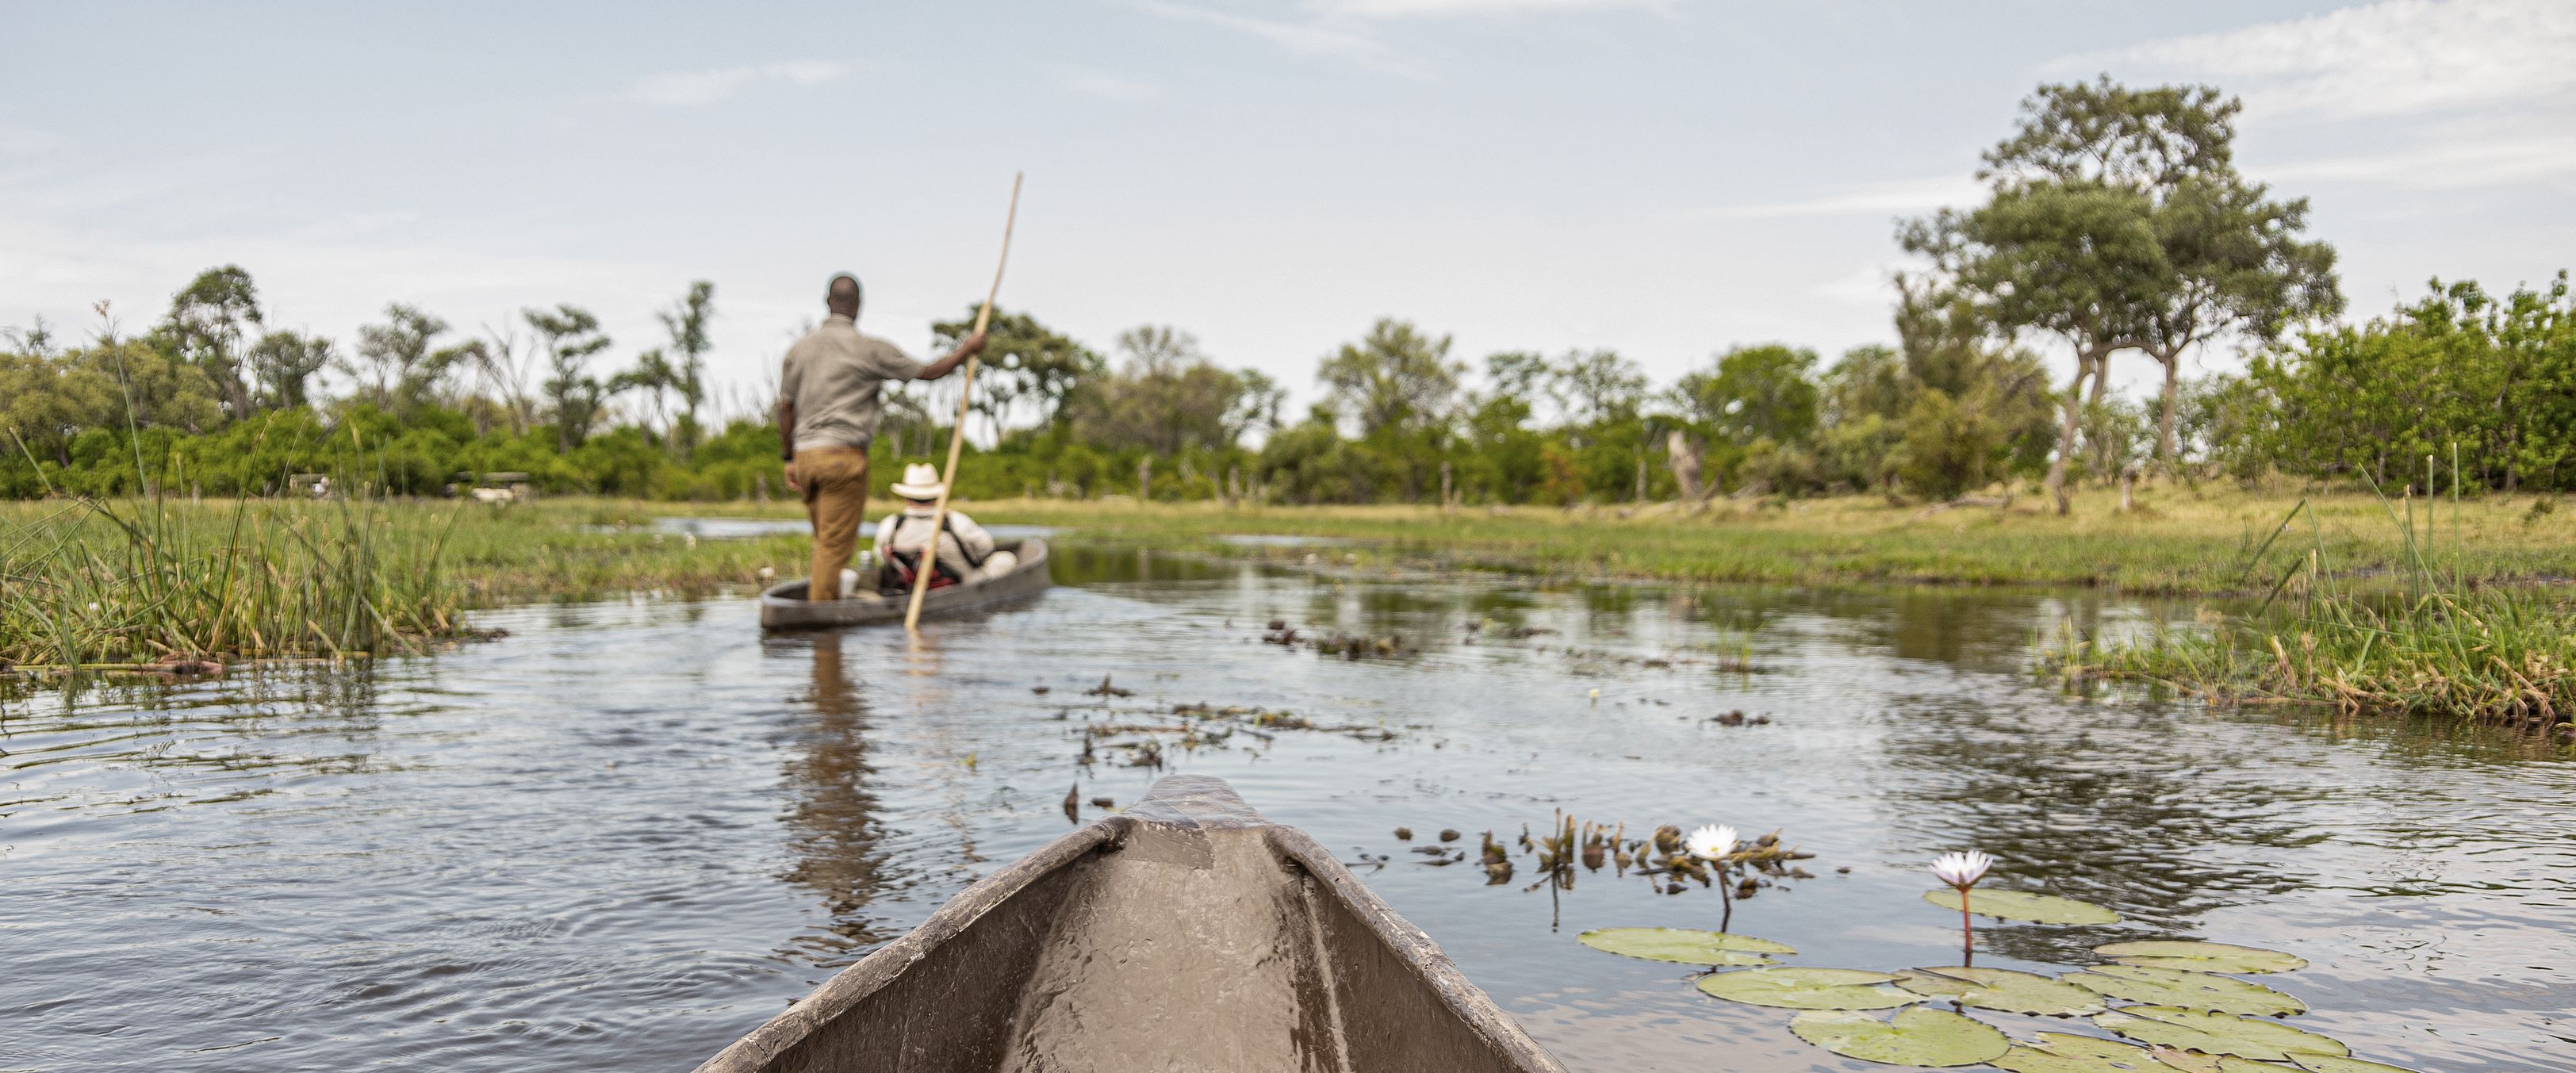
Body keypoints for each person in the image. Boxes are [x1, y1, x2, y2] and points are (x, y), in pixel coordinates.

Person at [778, 272, 985, 600]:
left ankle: (821, 623)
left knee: (825, 545)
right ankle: (822, 639)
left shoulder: (798, 350)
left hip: (804, 458)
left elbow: (785, 410)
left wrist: (788, 459)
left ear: (827, 302)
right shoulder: (869, 349)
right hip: (841, 459)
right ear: (858, 306)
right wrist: (969, 348)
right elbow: (929, 372)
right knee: (832, 551)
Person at [874, 462, 1019, 592]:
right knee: (1006, 558)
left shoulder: (890, 525)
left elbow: (882, 558)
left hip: (910, 586)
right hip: (963, 584)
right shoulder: (956, 521)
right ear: (937, 496)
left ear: (906, 497)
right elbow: (986, 549)